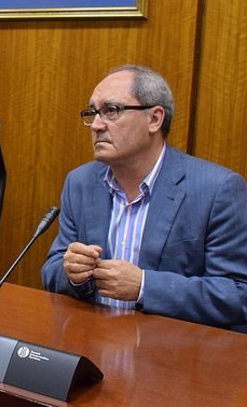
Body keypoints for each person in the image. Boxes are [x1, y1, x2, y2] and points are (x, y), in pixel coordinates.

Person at [41, 64, 247, 330]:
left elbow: (238, 295)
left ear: (154, 119)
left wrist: (145, 287)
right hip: (92, 340)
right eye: (92, 113)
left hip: (173, 354)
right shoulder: (80, 183)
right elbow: (52, 270)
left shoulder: (217, 189)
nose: (96, 125)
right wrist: (74, 274)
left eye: (111, 111)